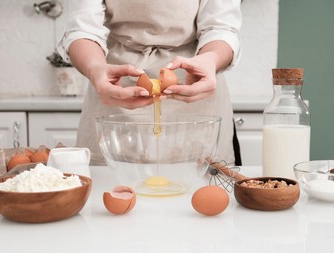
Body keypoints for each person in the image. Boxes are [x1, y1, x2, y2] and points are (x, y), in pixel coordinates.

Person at [58, 0, 242, 166]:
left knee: (201, 189)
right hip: (117, 88)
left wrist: (211, 60)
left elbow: (221, 28)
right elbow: (83, 28)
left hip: (194, 91)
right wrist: (95, 67)